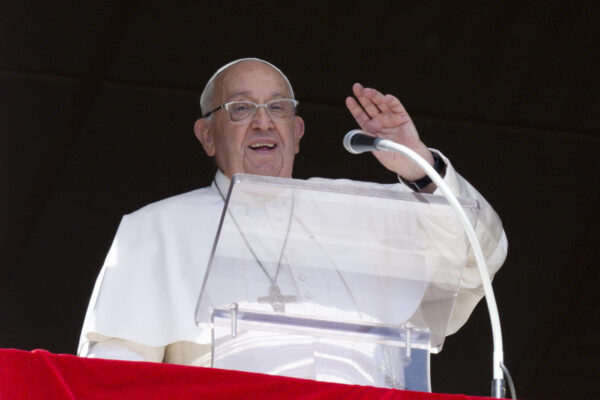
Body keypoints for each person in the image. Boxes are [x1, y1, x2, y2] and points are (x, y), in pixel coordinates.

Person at [79, 58, 507, 370]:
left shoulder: (359, 211)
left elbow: (479, 256)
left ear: (297, 133)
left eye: (278, 107)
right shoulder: (157, 229)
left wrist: (417, 166)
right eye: (242, 109)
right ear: (207, 136)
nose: (263, 123)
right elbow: (117, 375)